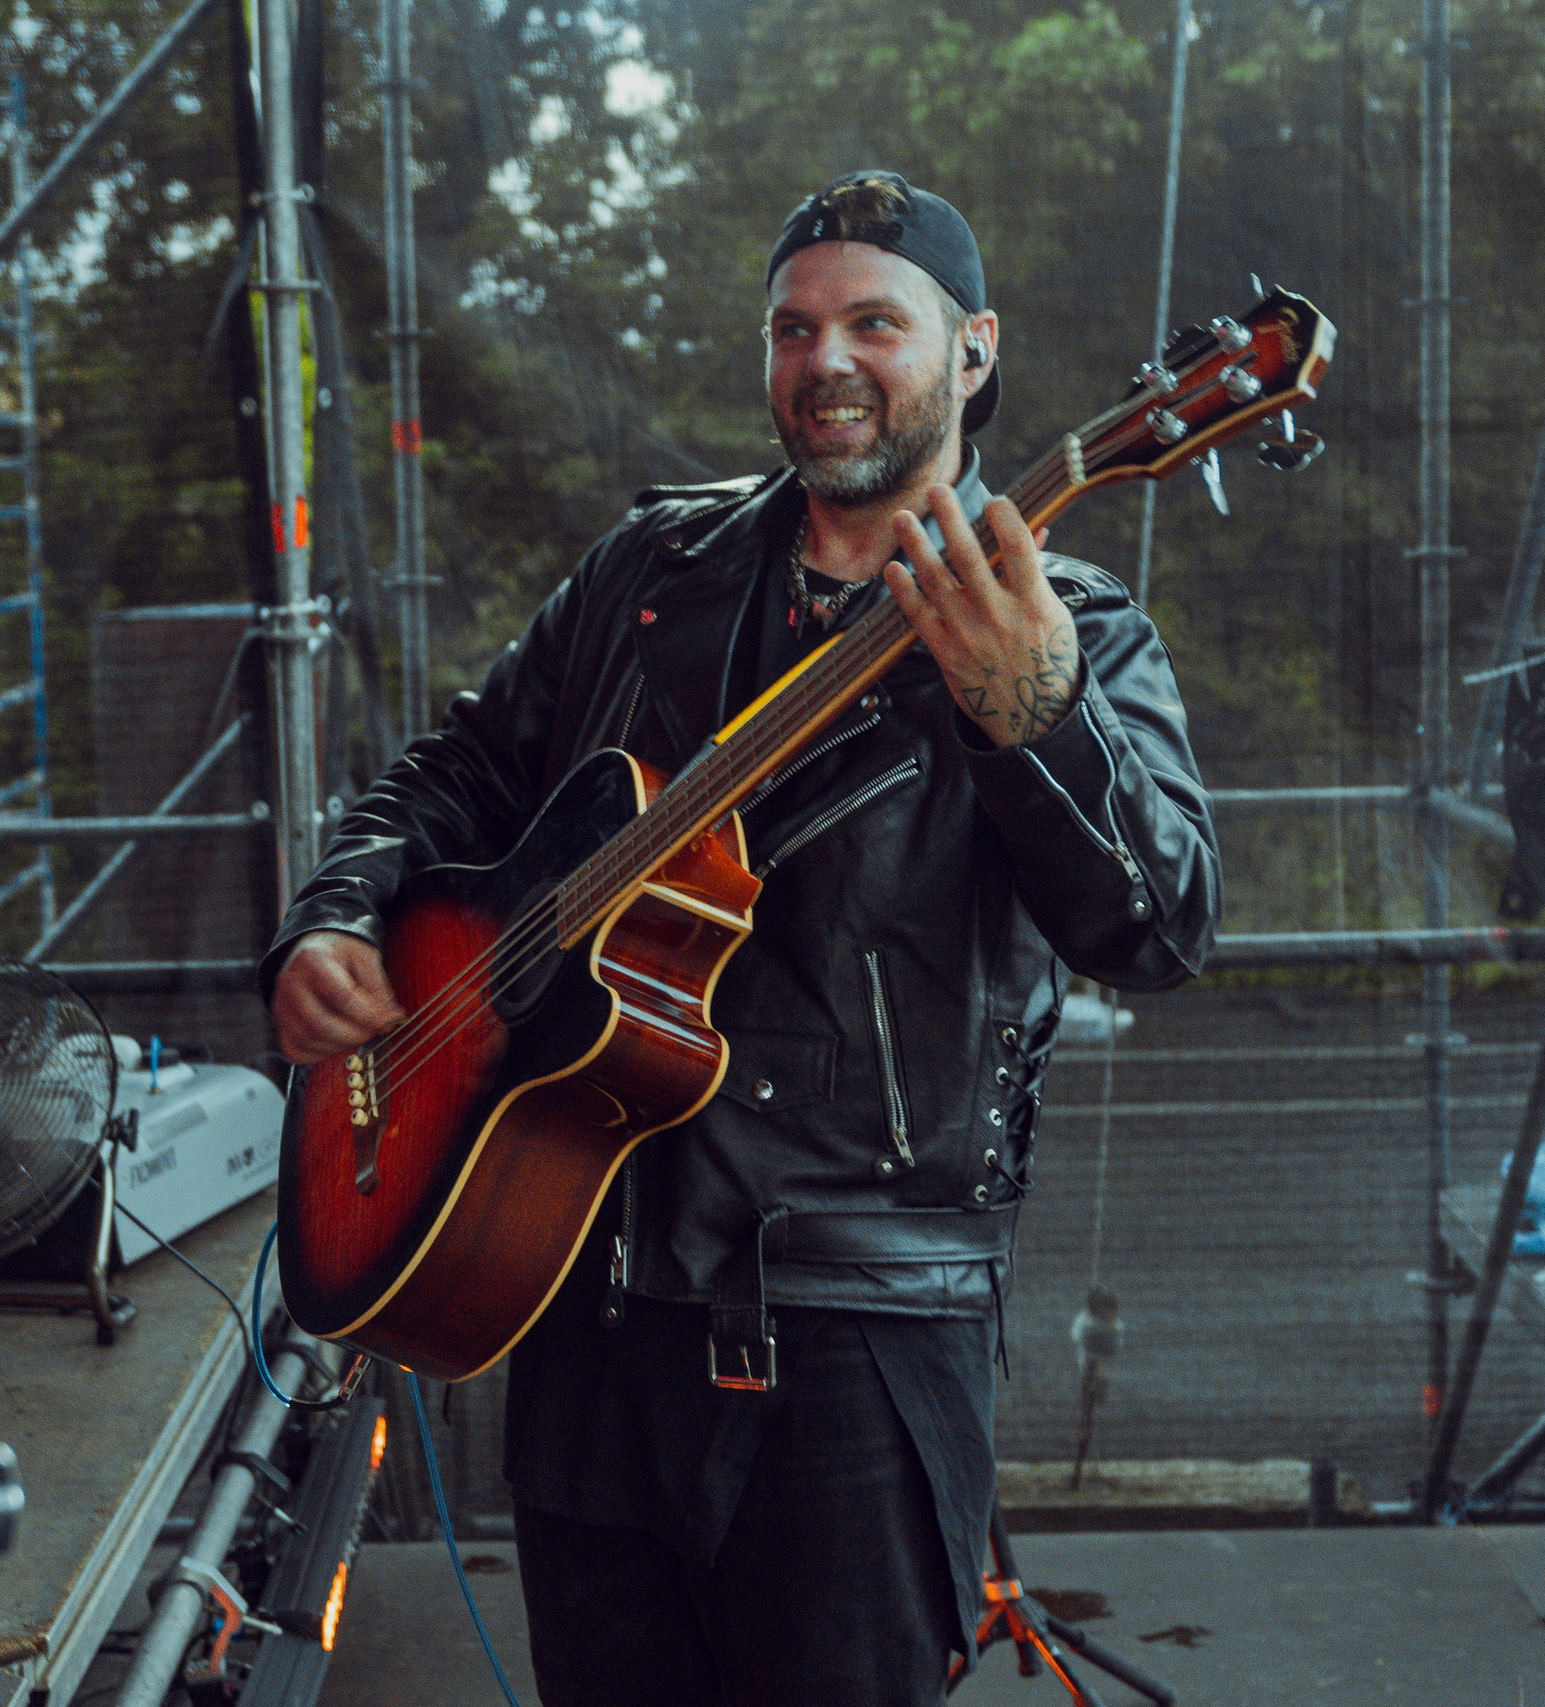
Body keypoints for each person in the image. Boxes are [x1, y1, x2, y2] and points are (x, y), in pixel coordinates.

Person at [264, 170, 1217, 1706]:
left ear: (973, 351)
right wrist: (339, 911)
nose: (825, 359)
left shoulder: (1073, 624)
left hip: (857, 1335)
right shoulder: (654, 572)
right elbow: (450, 774)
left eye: (872, 323)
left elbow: (1159, 926)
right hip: (585, 1302)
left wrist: (1033, 719)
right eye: (793, 325)